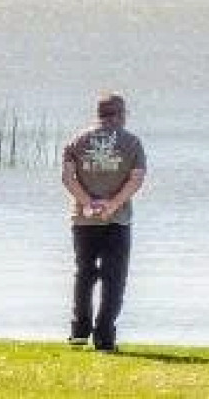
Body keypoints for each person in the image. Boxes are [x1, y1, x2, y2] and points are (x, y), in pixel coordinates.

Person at [60, 91, 146, 352]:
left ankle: (79, 330)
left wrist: (87, 203)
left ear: (98, 113)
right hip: (117, 220)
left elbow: (67, 178)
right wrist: (113, 205)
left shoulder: (76, 141)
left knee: (84, 274)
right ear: (120, 114)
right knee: (114, 277)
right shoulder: (132, 142)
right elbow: (137, 178)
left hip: (83, 219)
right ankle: (105, 336)